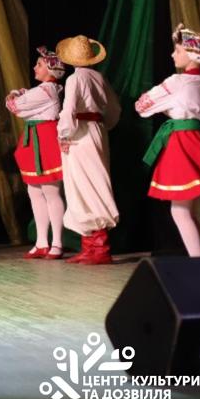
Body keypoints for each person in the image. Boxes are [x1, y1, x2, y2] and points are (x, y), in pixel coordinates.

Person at [134, 23, 200, 257]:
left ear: (191, 54)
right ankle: (199, 259)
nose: (172, 54)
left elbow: (142, 106)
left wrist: (166, 108)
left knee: (179, 209)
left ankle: (198, 262)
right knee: (185, 208)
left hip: (183, 142)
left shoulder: (177, 82)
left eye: (177, 50)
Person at [55, 35, 121, 265]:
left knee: (84, 185)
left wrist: (64, 134)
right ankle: (90, 246)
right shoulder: (99, 77)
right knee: (94, 181)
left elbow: (69, 109)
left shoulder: (75, 79)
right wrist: (102, 126)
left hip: (80, 133)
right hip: (96, 131)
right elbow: (114, 108)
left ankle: (100, 248)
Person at [5, 47, 67, 259]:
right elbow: (20, 108)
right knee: (34, 192)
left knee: (50, 191)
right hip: (34, 137)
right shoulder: (43, 89)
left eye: (39, 64)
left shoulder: (46, 90)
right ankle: (42, 242)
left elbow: (15, 106)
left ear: (51, 69)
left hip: (45, 138)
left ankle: (57, 243)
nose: (34, 67)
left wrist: (15, 94)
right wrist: (18, 98)